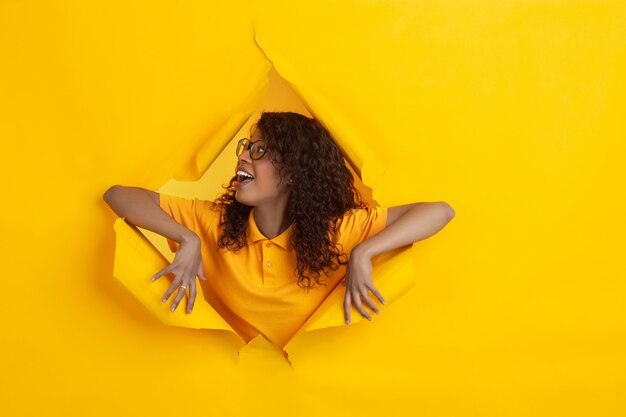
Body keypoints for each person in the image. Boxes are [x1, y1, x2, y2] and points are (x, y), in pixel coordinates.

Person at [103, 111, 455, 348]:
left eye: (260, 151)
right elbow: (119, 195)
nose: (243, 157)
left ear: (295, 173)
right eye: (246, 148)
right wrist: (186, 237)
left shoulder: (340, 233)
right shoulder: (213, 223)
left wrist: (365, 251)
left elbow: (440, 211)